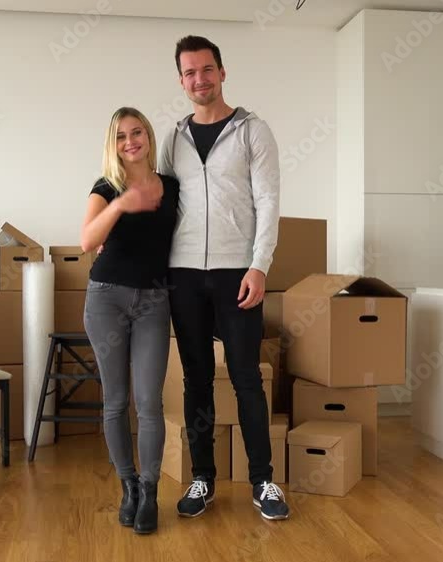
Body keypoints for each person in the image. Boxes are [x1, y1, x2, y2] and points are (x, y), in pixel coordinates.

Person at [158, 36, 289, 521]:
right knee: (196, 379)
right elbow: (160, 204)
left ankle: (263, 480)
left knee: (246, 377)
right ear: (181, 80)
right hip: (184, 273)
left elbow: (269, 202)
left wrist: (260, 266)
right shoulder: (173, 139)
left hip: (238, 271)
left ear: (222, 72)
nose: (200, 79)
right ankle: (203, 479)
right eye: (190, 72)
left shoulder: (253, 131)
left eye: (207, 69)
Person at [81, 106, 179, 535]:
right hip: (107, 299)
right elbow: (88, 240)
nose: (130, 142)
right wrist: (122, 204)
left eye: (137, 132)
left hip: (154, 301)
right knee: (116, 401)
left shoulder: (171, 188)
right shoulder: (107, 187)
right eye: (121, 136)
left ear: (148, 137)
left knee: (149, 402)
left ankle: (150, 491)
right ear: (114, 145)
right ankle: (128, 488)